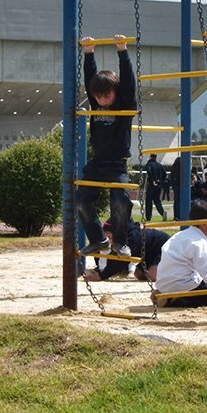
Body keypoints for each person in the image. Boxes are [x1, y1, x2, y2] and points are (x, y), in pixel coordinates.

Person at [77, 35, 136, 258]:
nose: (102, 100)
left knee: (121, 201)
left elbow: (128, 82)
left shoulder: (125, 104)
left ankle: (120, 242)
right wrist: (89, 52)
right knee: (81, 200)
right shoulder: (96, 104)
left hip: (117, 164)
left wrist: (122, 50)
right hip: (97, 163)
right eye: (98, 96)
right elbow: (90, 78)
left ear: (115, 92)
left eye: (106, 95)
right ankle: (98, 239)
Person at [153, 199, 207, 308]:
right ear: (204, 224)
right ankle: (176, 300)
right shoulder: (198, 243)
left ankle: (168, 295)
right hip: (184, 285)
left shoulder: (179, 235)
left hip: (164, 284)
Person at [85, 219, 170, 282]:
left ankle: (169, 271)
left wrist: (101, 276)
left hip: (162, 247)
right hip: (147, 254)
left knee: (152, 276)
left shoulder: (132, 239)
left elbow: (123, 260)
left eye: (110, 238)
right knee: (139, 274)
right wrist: (100, 269)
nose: (110, 241)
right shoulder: (120, 239)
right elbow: (113, 258)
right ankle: (157, 268)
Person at [142, 153, 167, 221]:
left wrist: (152, 180)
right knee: (157, 200)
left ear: (150, 157)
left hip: (151, 185)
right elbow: (165, 173)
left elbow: (149, 171)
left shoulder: (149, 164)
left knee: (149, 201)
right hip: (158, 186)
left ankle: (148, 217)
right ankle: (162, 212)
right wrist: (161, 181)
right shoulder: (159, 165)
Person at [169, 155, 183, 220]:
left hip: (175, 185)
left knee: (176, 201)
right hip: (180, 185)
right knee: (180, 200)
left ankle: (176, 216)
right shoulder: (181, 165)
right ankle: (180, 215)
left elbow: (171, 176)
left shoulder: (174, 167)